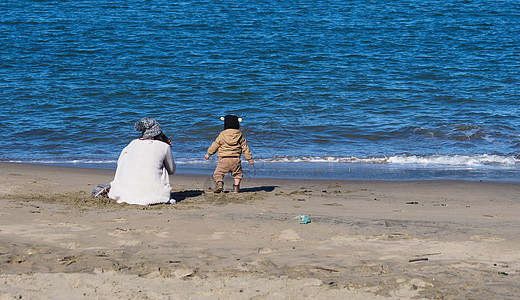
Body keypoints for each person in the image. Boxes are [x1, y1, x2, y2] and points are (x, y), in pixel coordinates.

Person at [108, 118, 176, 205]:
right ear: (159, 132)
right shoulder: (164, 146)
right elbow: (171, 170)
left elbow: (120, 163)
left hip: (123, 195)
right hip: (156, 197)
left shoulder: (132, 144)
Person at [204, 115, 254, 193]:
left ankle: (220, 183)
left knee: (218, 173)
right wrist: (250, 159)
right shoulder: (240, 136)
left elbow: (215, 145)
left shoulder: (222, 135)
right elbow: (245, 148)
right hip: (236, 160)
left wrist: (208, 154)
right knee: (237, 174)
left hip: (224, 159)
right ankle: (236, 188)